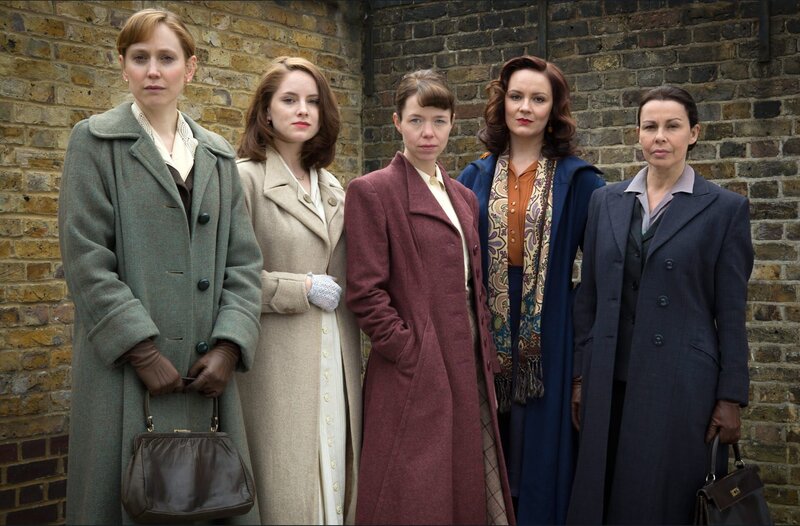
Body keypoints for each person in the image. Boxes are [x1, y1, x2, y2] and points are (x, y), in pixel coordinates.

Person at [58, 9, 262, 524]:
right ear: (123, 65)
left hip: (203, 375)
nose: (153, 70)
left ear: (189, 69)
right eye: (140, 57)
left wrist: (229, 346)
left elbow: (243, 262)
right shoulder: (94, 141)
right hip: (125, 374)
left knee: (207, 502)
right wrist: (141, 350)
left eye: (166, 58)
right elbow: (85, 258)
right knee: (126, 502)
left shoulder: (217, 155)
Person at [567, 85, 754, 525]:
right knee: (601, 495)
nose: (660, 137)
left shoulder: (725, 209)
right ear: (637, 133)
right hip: (608, 377)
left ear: (694, 133)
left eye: (673, 126)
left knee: (659, 502)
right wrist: (580, 375)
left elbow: (731, 313)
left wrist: (731, 397)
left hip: (681, 383)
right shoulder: (605, 201)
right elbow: (588, 296)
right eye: (650, 126)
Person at [345, 69, 515, 525]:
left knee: (465, 486)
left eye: (439, 121)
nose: (428, 132)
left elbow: (473, 282)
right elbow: (365, 291)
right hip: (414, 364)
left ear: (452, 123)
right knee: (415, 490)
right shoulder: (372, 190)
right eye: (417, 120)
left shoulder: (463, 196)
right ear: (397, 122)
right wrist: (410, 350)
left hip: (467, 358)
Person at [457, 55, 604, 525]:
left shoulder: (580, 180)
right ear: (501, 103)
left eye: (538, 99)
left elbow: (599, 274)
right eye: (516, 96)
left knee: (543, 446)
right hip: (486, 324)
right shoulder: (473, 178)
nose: (525, 107)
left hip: (551, 325)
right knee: (489, 438)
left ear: (553, 108)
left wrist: (582, 358)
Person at [235, 56, 362, 525]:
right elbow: (226, 280)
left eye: (312, 101)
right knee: (289, 489)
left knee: (338, 476)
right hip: (278, 364)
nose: (302, 110)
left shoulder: (333, 186)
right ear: (266, 111)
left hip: (336, 355)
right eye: (289, 100)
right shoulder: (243, 178)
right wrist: (301, 287)